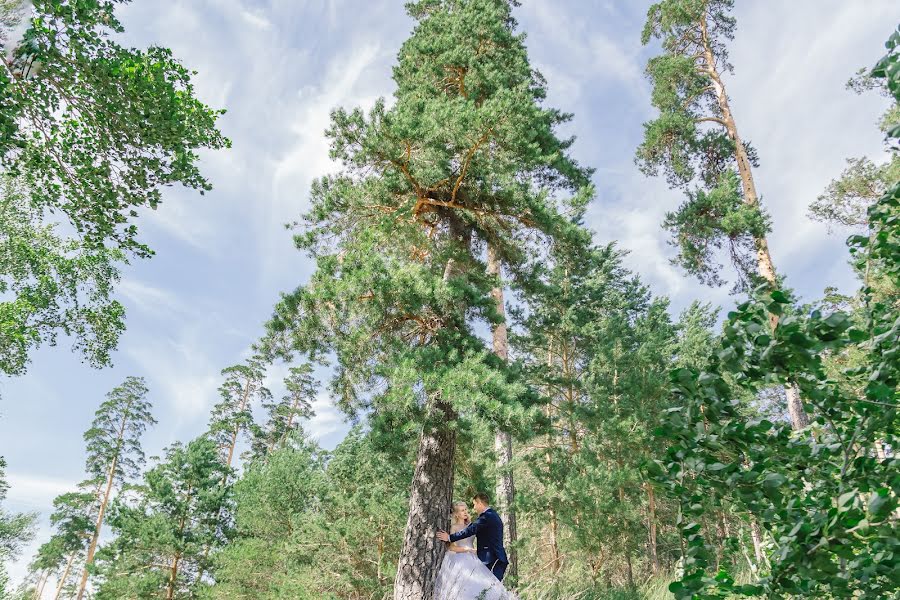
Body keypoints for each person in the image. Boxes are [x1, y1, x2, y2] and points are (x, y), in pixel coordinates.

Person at [434, 493, 514, 599]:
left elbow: (470, 530)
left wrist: (449, 537)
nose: (474, 508)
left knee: (490, 591)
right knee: (485, 591)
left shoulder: (486, 517)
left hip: (492, 559)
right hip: (476, 558)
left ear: (480, 503)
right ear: (456, 514)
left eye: (474, 504)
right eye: (463, 510)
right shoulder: (491, 515)